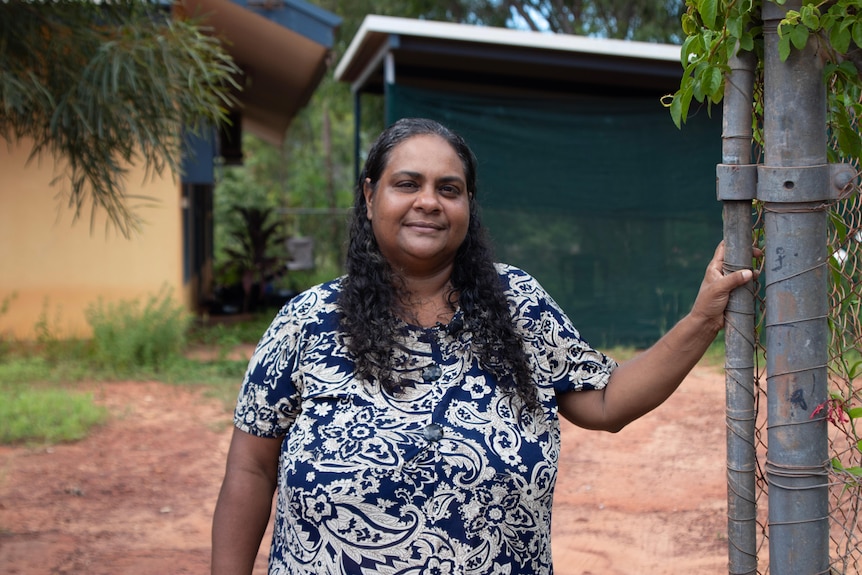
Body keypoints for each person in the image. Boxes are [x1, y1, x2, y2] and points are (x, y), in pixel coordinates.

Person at [211, 117, 755, 575]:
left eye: (449, 189)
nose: (429, 201)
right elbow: (251, 471)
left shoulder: (517, 304)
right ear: (370, 193)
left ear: (468, 206)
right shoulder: (307, 323)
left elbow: (608, 401)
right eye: (408, 184)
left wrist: (703, 317)